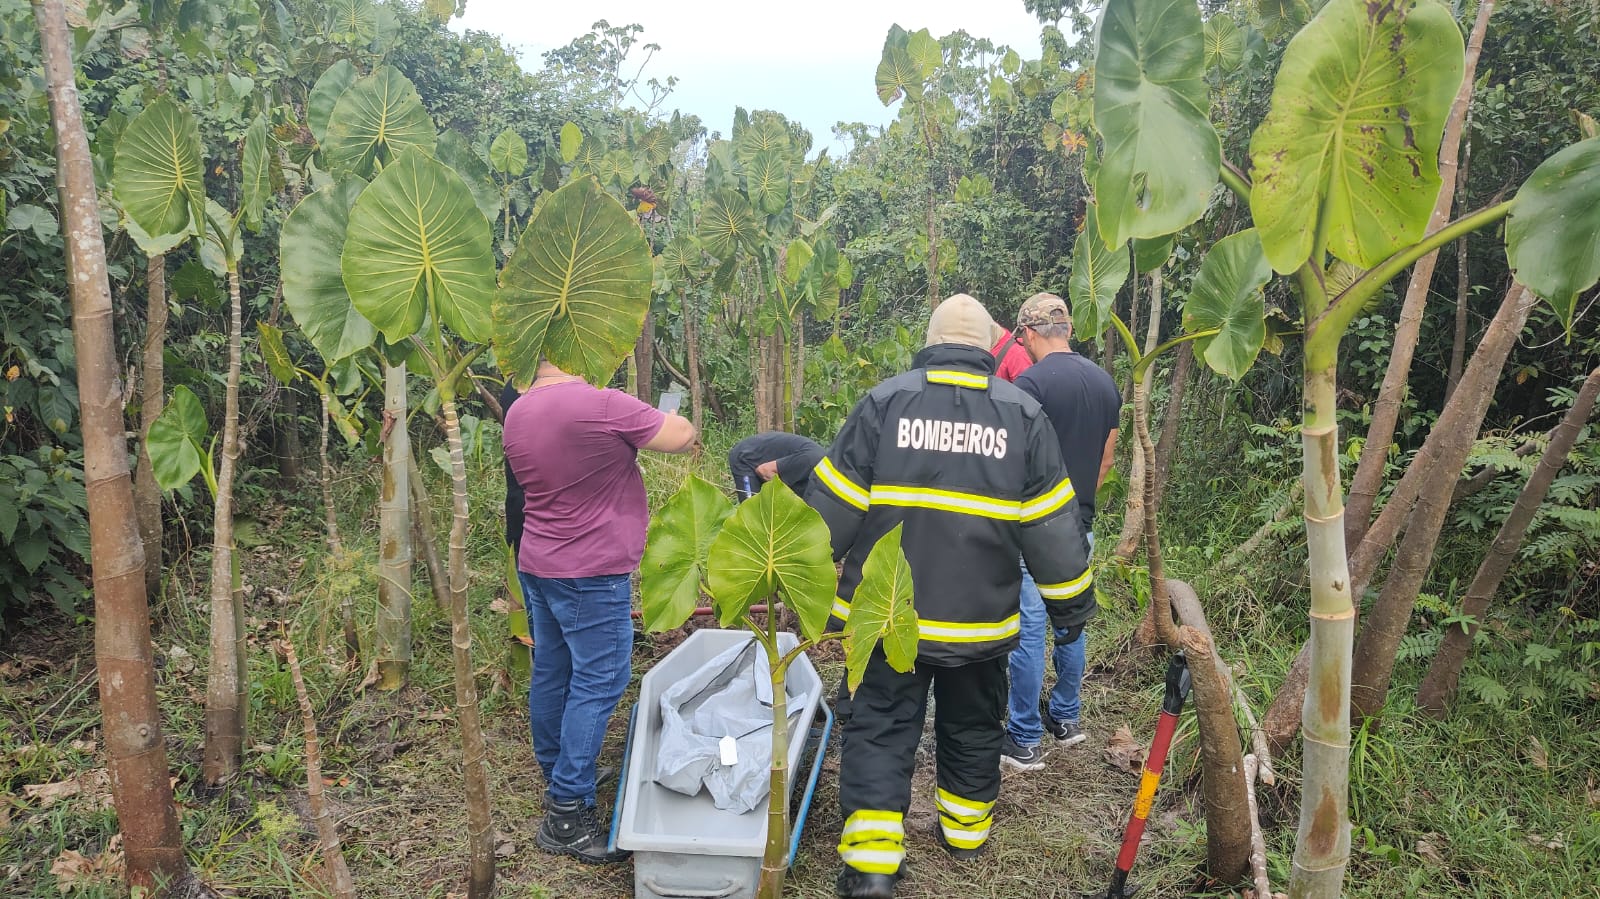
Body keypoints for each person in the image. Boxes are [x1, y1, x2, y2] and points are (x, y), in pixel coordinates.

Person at [808, 294, 1094, 898]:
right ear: (989, 347)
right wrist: (1070, 609)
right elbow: (1051, 527)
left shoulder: (885, 403)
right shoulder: (1022, 415)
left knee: (881, 727)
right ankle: (965, 835)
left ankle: (871, 868)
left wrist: (799, 584)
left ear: (930, 342)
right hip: (979, 623)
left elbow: (830, 511)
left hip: (887, 617)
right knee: (972, 725)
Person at [503, 358, 698, 864]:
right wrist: (659, 412)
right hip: (589, 570)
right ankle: (567, 812)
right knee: (601, 679)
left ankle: (559, 772)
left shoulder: (519, 408)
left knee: (553, 669)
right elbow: (681, 435)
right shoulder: (601, 403)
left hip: (538, 560)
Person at [999, 293, 1121, 772]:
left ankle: (1025, 736)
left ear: (1029, 334)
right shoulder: (1105, 383)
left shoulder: (1030, 384)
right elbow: (1106, 461)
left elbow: (1014, 460)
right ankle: (1067, 718)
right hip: (1079, 526)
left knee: (1029, 627)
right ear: (1067, 330)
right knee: (1071, 622)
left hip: (1034, 530)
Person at [727, 431, 827, 501]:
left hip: (768, 465)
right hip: (746, 458)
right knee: (752, 514)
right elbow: (764, 471)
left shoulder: (821, 471)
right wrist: (788, 498)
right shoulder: (811, 460)